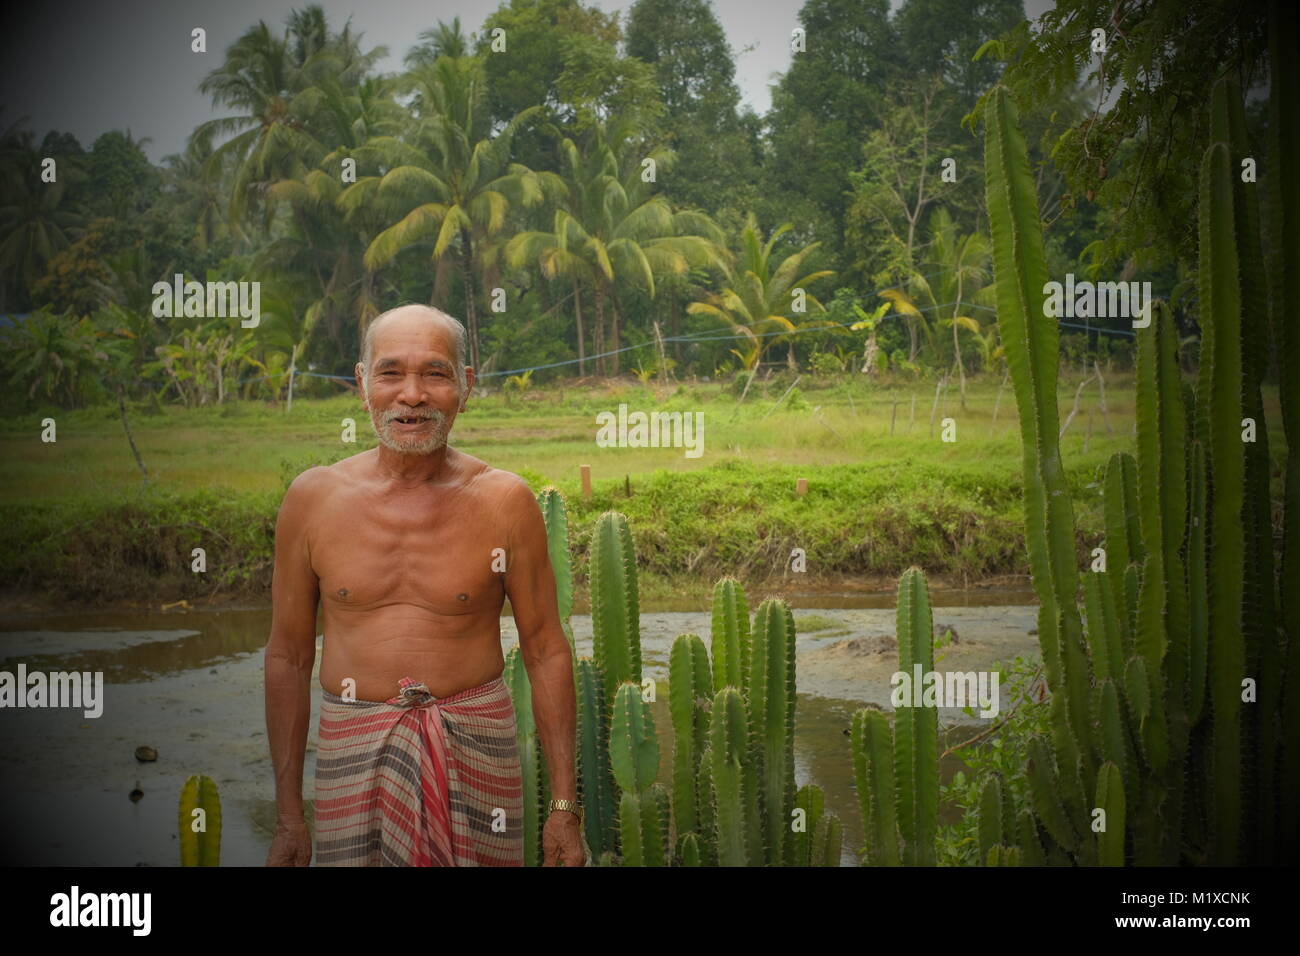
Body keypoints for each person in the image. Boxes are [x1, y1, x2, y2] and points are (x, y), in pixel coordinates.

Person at [263, 304, 583, 866]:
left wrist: (564, 808)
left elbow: (546, 649)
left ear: (467, 385)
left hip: (476, 749)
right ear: (363, 385)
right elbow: (288, 657)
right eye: (390, 373)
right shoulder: (313, 500)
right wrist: (289, 816)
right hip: (351, 754)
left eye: (435, 373)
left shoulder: (504, 501)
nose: (412, 395)